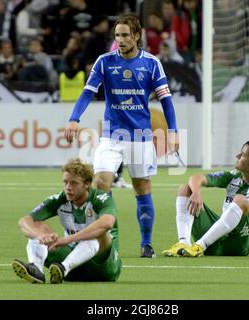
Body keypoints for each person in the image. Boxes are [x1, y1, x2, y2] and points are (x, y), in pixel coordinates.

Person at [65, 13, 179, 258]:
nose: (121, 40)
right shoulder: (104, 62)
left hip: (140, 137)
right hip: (111, 136)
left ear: (137, 36)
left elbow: (166, 101)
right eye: (117, 35)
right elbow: (87, 92)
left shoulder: (151, 63)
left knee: (142, 187)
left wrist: (173, 132)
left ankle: (146, 243)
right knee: (101, 183)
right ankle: (108, 240)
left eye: (125, 35)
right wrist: (74, 118)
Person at [163, 141, 249, 257]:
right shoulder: (232, 176)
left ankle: (199, 246)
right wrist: (196, 192)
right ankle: (184, 244)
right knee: (185, 189)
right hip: (216, 237)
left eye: (243, 154)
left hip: (239, 243)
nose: (238, 155)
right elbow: (196, 178)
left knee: (240, 200)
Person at [12, 158, 122, 284]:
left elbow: (107, 223)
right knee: (37, 225)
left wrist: (67, 240)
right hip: (74, 267)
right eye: (65, 183)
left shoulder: (101, 198)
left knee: (98, 233)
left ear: (86, 184)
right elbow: (24, 221)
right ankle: (37, 269)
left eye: (74, 183)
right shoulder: (59, 199)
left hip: (103, 268)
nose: (68, 188)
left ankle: (64, 267)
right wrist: (40, 236)